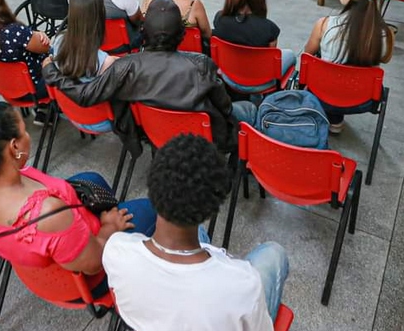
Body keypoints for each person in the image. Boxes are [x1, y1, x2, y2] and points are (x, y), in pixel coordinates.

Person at [0, 102, 156, 279]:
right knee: (149, 208)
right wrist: (108, 228)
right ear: (14, 147)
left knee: (92, 180)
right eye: (24, 132)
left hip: (44, 250)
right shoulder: (49, 214)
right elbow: (94, 264)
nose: (27, 137)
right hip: (88, 264)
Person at [104, 135, 289, 330]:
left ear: (153, 188)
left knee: (201, 236)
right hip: (222, 298)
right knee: (274, 253)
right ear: (211, 208)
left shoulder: (116, 250)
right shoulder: (244, 285)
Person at [44, 0, 257, 156]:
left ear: (143, 32)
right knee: (249, 109)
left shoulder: (125, 67)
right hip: (202, 141)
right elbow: (226, 109)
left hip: (155, 135)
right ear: (182, 35)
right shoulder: (202, 65)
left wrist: (51, 71)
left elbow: (85, 95)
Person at [303, 0, 394, 133]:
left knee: (321, 61)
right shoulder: (382, 33)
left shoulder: (325, 24)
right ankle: (335, 120)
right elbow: (385, 58)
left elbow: (307, 54)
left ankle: (328, 117)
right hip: (362, 97)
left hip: (322, 91)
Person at [46, 0, 117, 132]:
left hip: (70, 112)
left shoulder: (58, 42)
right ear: (100, 17)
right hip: (102, 120)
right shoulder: (106, 62)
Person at [213, 0, 295, 92]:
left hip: (229, 77)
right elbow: (268, 63)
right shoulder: (269, 29)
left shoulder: (219, 19)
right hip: (260, 83)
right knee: (290, 55)